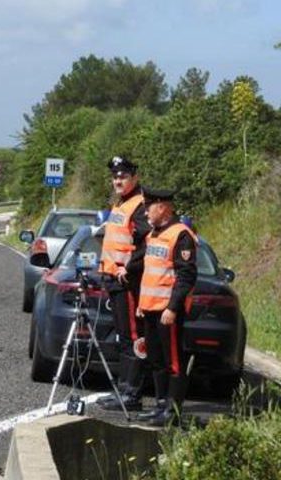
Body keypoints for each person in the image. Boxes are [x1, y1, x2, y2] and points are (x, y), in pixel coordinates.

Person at [136, 187, 197, 427]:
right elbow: (151, 273)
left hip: (167, 311)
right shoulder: (153, 234)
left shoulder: (181, 235)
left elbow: (186, 277)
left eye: (149, 206)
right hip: (150, 309)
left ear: (162, 207)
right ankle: (160, 405)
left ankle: (172, 411)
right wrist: (142, 304)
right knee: (156, 360)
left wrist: (173, 308)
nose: (146, 212)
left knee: (173, 362)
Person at [95, 156, 151, 411]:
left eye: (123, 176)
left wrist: (128, 267)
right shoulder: (121, 203)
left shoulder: (140, 205)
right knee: (123, 338)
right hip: (114, 281)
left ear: (134, 178)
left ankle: (132, 393)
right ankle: (123, 388)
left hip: (129, 283)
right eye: (115, 177)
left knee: (133, 338)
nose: (118, 180)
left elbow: (145, 242)